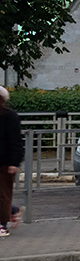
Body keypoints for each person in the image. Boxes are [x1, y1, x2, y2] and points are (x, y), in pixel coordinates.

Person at [0, 85, 22, 236]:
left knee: (3, 194)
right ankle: (13, 210)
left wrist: (14, 162)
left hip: (4, 162)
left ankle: (2, 225)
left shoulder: (9, 116)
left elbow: (16, 141)